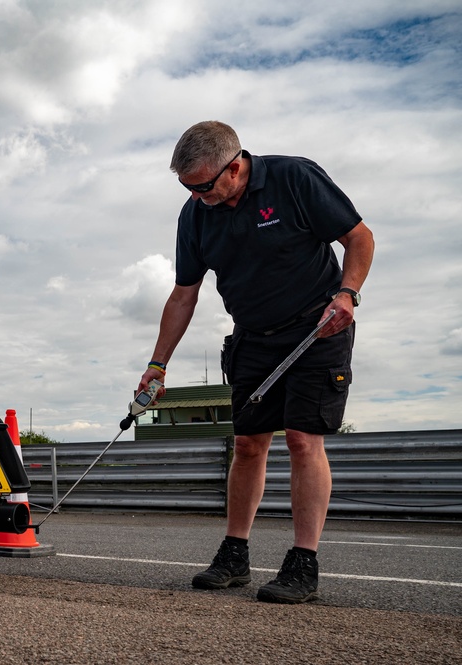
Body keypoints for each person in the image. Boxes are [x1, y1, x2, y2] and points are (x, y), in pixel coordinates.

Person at [136, 121, 374, 604]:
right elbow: (184, 295)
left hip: (316, 328)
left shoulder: (295, 179)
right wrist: (157, 366)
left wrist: (348, 293)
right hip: (252, 338)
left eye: (204, 186)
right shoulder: (196, 215)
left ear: (235, 166)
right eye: (188, 188)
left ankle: (303, 561)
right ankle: (234, 553)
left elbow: (359, 238)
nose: (198, 197)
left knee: (304, 441)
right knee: (246, 444)